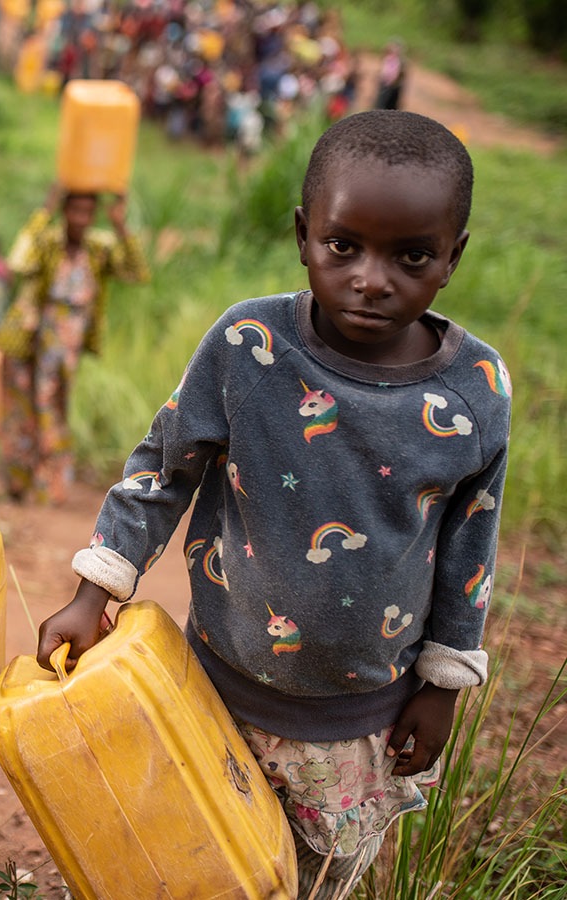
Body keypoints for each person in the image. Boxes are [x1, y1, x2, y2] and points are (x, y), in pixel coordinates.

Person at [35, 110, 510, 898]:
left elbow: (471, 544)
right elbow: (165, 465)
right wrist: (97, 590)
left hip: (363, 721)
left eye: (412, 256)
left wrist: (441, 687)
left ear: (452, 258)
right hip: (215, 686)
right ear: (302, 235)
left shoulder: (474, 391)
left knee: (315, 881)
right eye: (343, 245)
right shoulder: (247, 346)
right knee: (196, 864)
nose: (370, 277)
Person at [0, 182, 149, 504]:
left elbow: (137, 272)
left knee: (53, 408)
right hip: (29, 338)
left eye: (88, 212)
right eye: (75, 210)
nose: (81, 218)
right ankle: (18, 482)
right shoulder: (48, 242)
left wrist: (120, 224)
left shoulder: (99, 249)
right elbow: (19, 261)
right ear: (65, 211)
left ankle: (48, 487)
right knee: (22, 408)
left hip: (67, 344)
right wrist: (45, 210)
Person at [374, 40, 405, 110]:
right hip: (386, 84)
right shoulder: (388, 59)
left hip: (392, 86)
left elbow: (398, 75)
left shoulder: (398, 61)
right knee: (381, 103)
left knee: (388, 104)